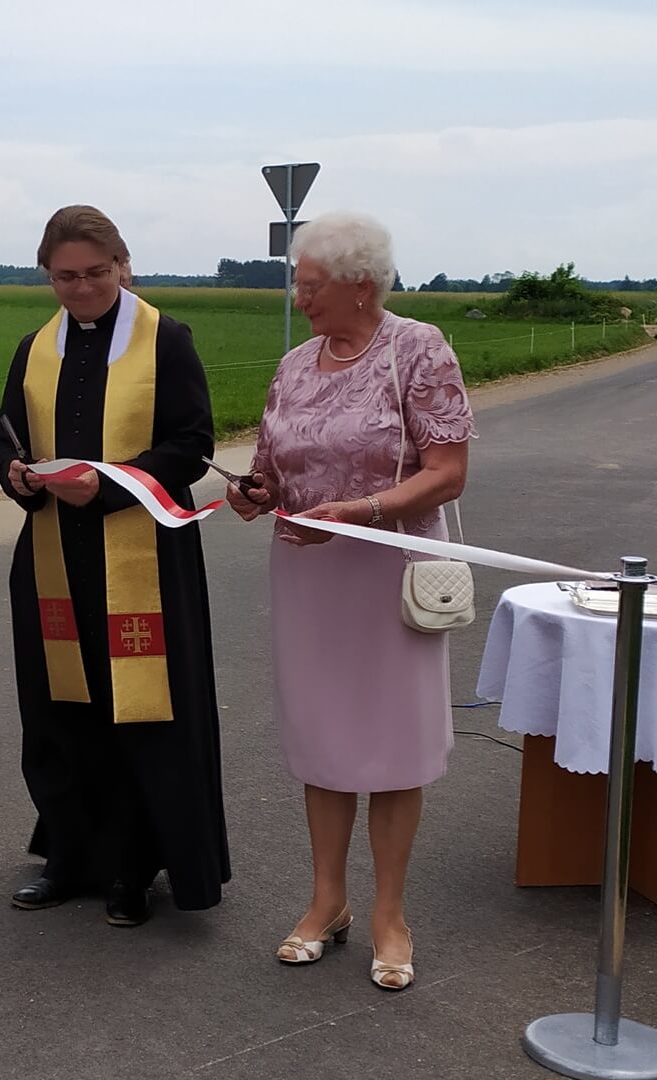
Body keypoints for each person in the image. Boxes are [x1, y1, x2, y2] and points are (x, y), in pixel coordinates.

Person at [228, 211, 473, 991]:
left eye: (311, 286)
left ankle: (389, 914)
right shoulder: (294, 364)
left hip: (389, 568)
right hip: (310, 574)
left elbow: (448, 471)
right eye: (298, 285)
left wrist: (362, 511)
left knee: (396, 745)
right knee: (326, 740)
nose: (300, 299)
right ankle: (326, 901)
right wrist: (254, 492)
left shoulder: (418, 348)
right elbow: (271, 468)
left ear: (361, 285)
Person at [0, 205, 229, 926]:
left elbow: (192, 445)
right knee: (59, 712)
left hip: (142, 558)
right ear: (47, 275)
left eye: (96, 272)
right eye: (65, 277)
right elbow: (3, 438)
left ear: (122, 266)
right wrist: (18, 475)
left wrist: (111, 483)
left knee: (140, 714)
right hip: (53, 556)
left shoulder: (165, 340)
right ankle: (68, 856)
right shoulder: (35, 348)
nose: (83, 288)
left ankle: (134, 867)